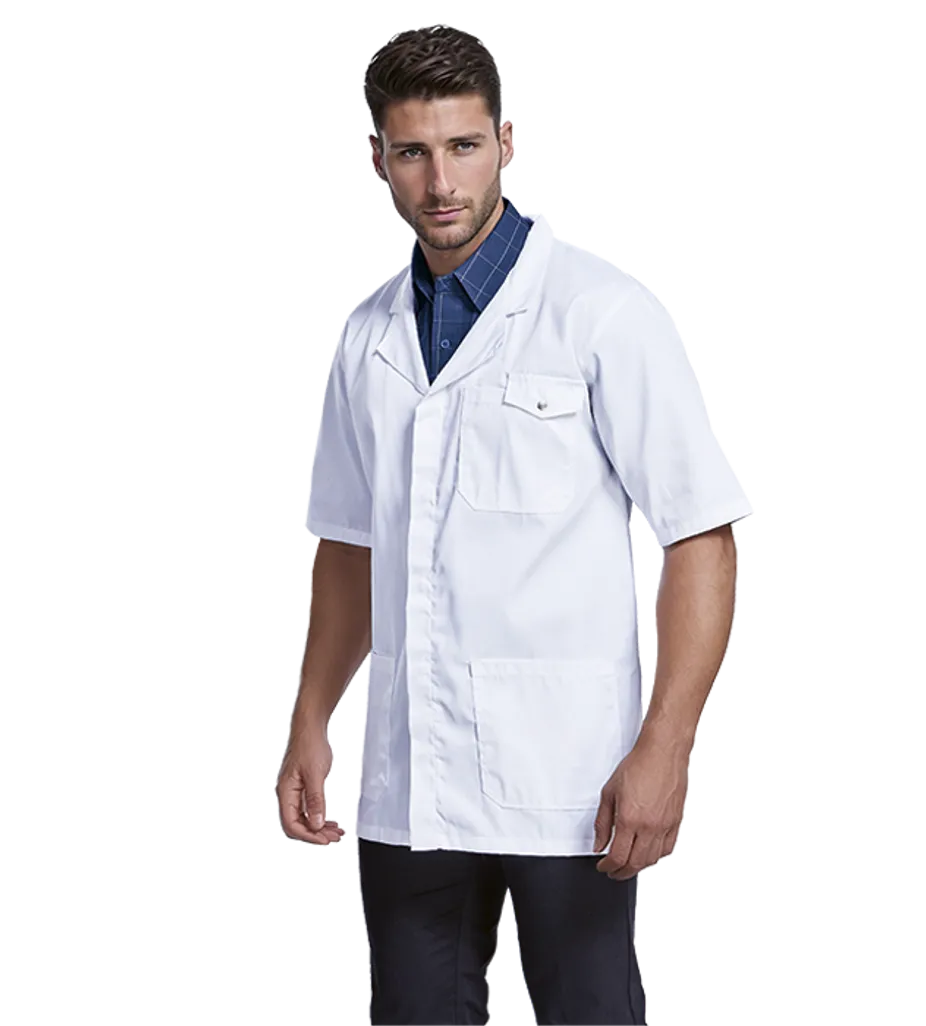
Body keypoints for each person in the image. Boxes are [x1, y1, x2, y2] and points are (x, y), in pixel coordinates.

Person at [280, 24, 756, 1026]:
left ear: (507, 141)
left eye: (463, 146)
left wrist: (666, 747)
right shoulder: (365, 337)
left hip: (571, 776)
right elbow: (347, 548)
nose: (440, 181)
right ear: (377, 160)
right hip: (412, 778)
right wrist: (312, 719)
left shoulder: (602, 311)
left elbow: (700, 538)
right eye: (413, 152)